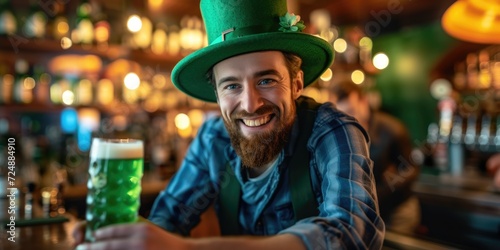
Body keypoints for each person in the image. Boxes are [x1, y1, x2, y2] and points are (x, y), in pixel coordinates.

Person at [73, 0, 385, 249]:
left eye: (266, 79)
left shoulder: (333, 132)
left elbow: (352, 233)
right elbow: (168, 220)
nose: (250, 104)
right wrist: (118, 237)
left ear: (297, 82)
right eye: (232, 86)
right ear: (217, 95)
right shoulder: (213, 139)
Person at [329, 80, 420, 235]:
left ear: (364, 102)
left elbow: (411, 169)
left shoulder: (393, 129)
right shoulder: (341, 133)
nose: (347, 119)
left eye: (351, 111)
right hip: (363, 212)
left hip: (397, 210)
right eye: (341, 114)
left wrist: (381, 192)